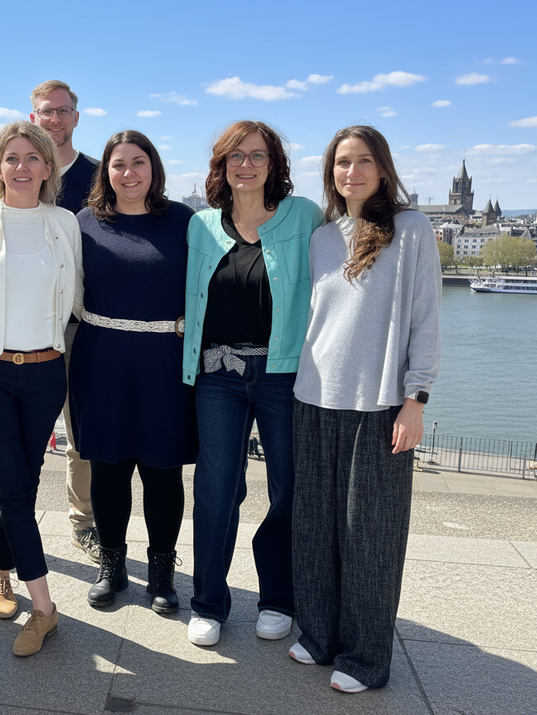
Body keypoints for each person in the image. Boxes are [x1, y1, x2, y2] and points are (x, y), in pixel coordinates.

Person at [289, 125, 441, 693]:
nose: (351, 172)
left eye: (363, 161)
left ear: (383, 168)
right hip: (313, 396)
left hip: (378, 405)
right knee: (314, 527)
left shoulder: (411, 229)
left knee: (370, 535)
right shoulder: (324, 237)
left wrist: (416, 399)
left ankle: (365, 657)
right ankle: (320, 634)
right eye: (341, 163)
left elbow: (426, 318)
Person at [181, 121, 323, 647]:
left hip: (284, 375)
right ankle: (209, 603)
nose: (246, 164)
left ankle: (278, 597)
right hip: (217, 375)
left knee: (289, 486)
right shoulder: (201, 227)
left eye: (257, 155)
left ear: (274, 164)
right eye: (235, 156)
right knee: (217, 488)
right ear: (221, 164)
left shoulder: (304, 216)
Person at [0, 120, 82, 657]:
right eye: (12, 158)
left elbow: (75, 295)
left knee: (24, 486)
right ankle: (45, 608)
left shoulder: (64, 223)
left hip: (47, 372)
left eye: (33, 158)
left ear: (48, 168)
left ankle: (1, 569)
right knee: (13, 489)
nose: (22, 167)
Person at [69, 130, 197, 613]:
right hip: (102, 358)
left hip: (166, 360)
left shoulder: (185, 221)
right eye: (118, 164)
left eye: (138, 162)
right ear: (106, 171)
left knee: (163, 472)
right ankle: (113, 566)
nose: (129, 173)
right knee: (108, 469)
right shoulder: (85, 223)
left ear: (154, 168)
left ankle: (162, 572)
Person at [0, 80, 101, 567]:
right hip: (14, 325)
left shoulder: (99, 173)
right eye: (43, 112)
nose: (53, 119)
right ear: (32, 118)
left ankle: (83, 521)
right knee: (10, 442)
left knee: (79, 431)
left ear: (76, 117)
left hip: (75, 317)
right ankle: (4, 522)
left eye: (61, 111)